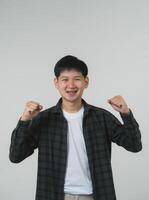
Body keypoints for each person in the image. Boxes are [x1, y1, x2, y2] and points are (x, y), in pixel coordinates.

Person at [9, 55, 142, 200]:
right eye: (65, 79)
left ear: (86, 82)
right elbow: (16, 156)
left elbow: (134, 145)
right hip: (54, 195)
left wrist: (126, 113)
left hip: (94, 195)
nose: (71, 85)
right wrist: (25, 120)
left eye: (77, 79)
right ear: (56, 82)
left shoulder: (101, 117)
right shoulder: (43, 119)